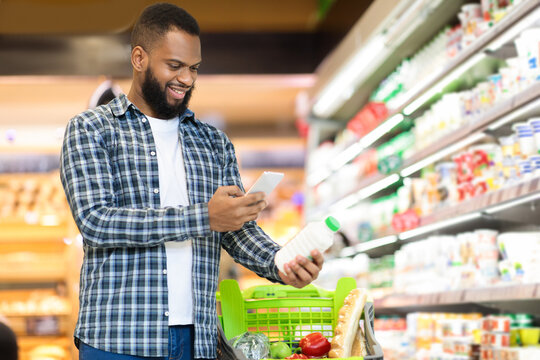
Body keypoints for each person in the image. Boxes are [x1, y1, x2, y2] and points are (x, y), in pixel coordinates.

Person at [60, 3, 324, 359]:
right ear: (139, 58)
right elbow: (96, 222)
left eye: (194, 68)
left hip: (196, 339)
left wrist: (280, 263)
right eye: (174, 66)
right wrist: (204, 217)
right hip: (118, 337)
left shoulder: (213, 143)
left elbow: (235, 228)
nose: (187, 78)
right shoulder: (92, 129)